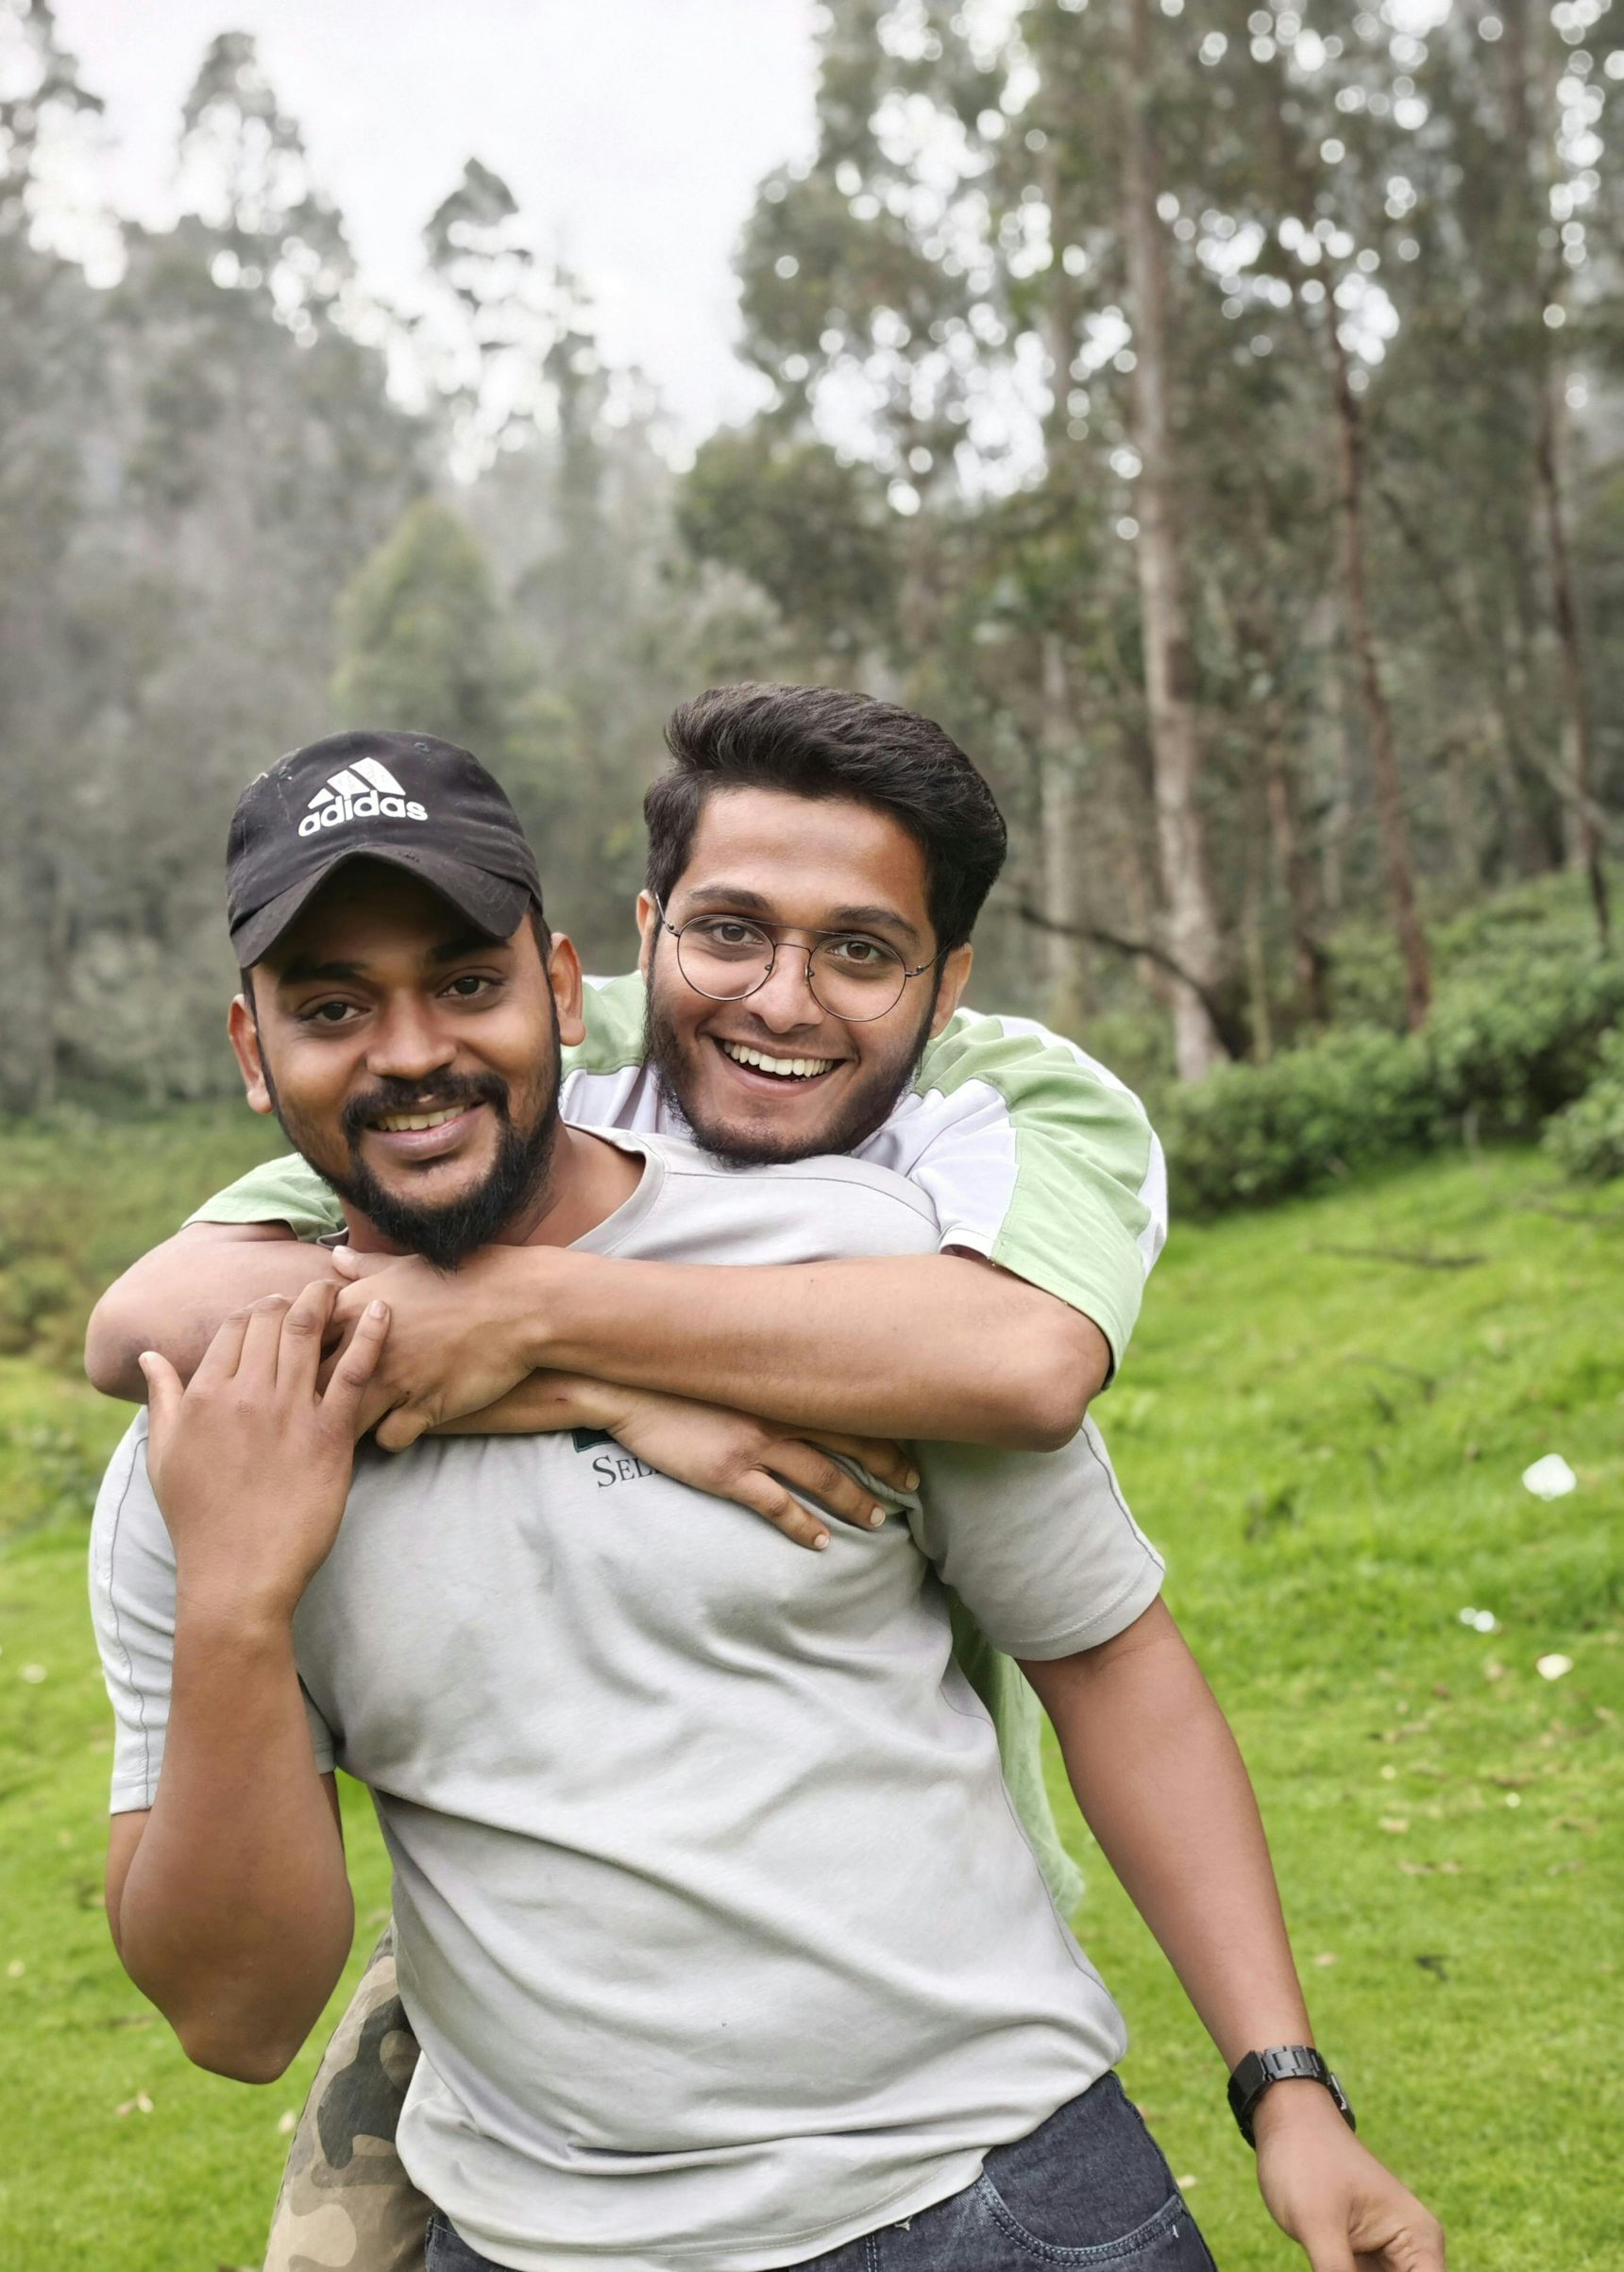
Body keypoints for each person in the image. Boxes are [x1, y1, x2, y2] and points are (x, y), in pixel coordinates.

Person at [90, 732, 1443, 2272]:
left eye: (465, 982)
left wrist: (1290, 2094)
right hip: (533, 2235)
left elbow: (1107, 1652)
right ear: (252, 1050)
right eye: (331, 1006)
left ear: (561, 982)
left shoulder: (853, 1269)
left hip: (992, 2193)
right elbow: (236, 2015)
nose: (408, 1051)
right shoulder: (204, 1435)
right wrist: (240, 1602)